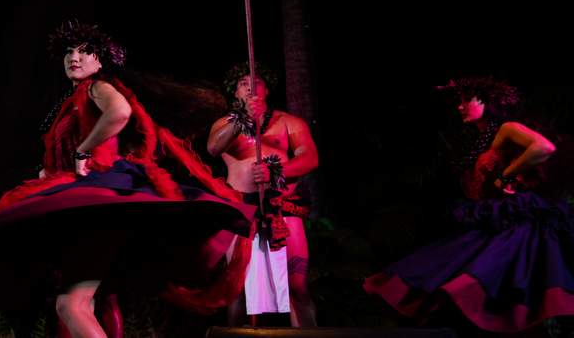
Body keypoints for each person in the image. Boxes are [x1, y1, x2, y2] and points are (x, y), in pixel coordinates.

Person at [0, 21, 255, 338]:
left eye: (85, 52)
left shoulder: (97, 87)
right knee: (78, 303)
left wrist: (84, 151)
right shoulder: (72, 99)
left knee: (71, 305)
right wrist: (52, 170)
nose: (75, 57)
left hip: (100, 203)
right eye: (69, 52)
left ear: (100, 61)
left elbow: (120, 112)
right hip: (91, 205)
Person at [364, 76, 574, 332]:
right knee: (450, 286)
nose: (460, 106)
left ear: (487, 101)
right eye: (459, 101)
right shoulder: (480, 138)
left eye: (467, 100)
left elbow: (544, 146)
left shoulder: (506, 128)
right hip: (487, 221)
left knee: (492, 289)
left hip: (512, 226)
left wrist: (505, 175)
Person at [207, 63, 319, 327]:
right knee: (238, 286)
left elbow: (310, 158)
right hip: (240, 210)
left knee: (297, 286)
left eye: (255, 81)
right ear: (235, 93)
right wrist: (243, 117)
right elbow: (213, 148)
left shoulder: (289, 122)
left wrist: (276, 170)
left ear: (266, 90)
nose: (249, 86)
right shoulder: (224, 124)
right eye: (243, 83)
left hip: (283, 207)